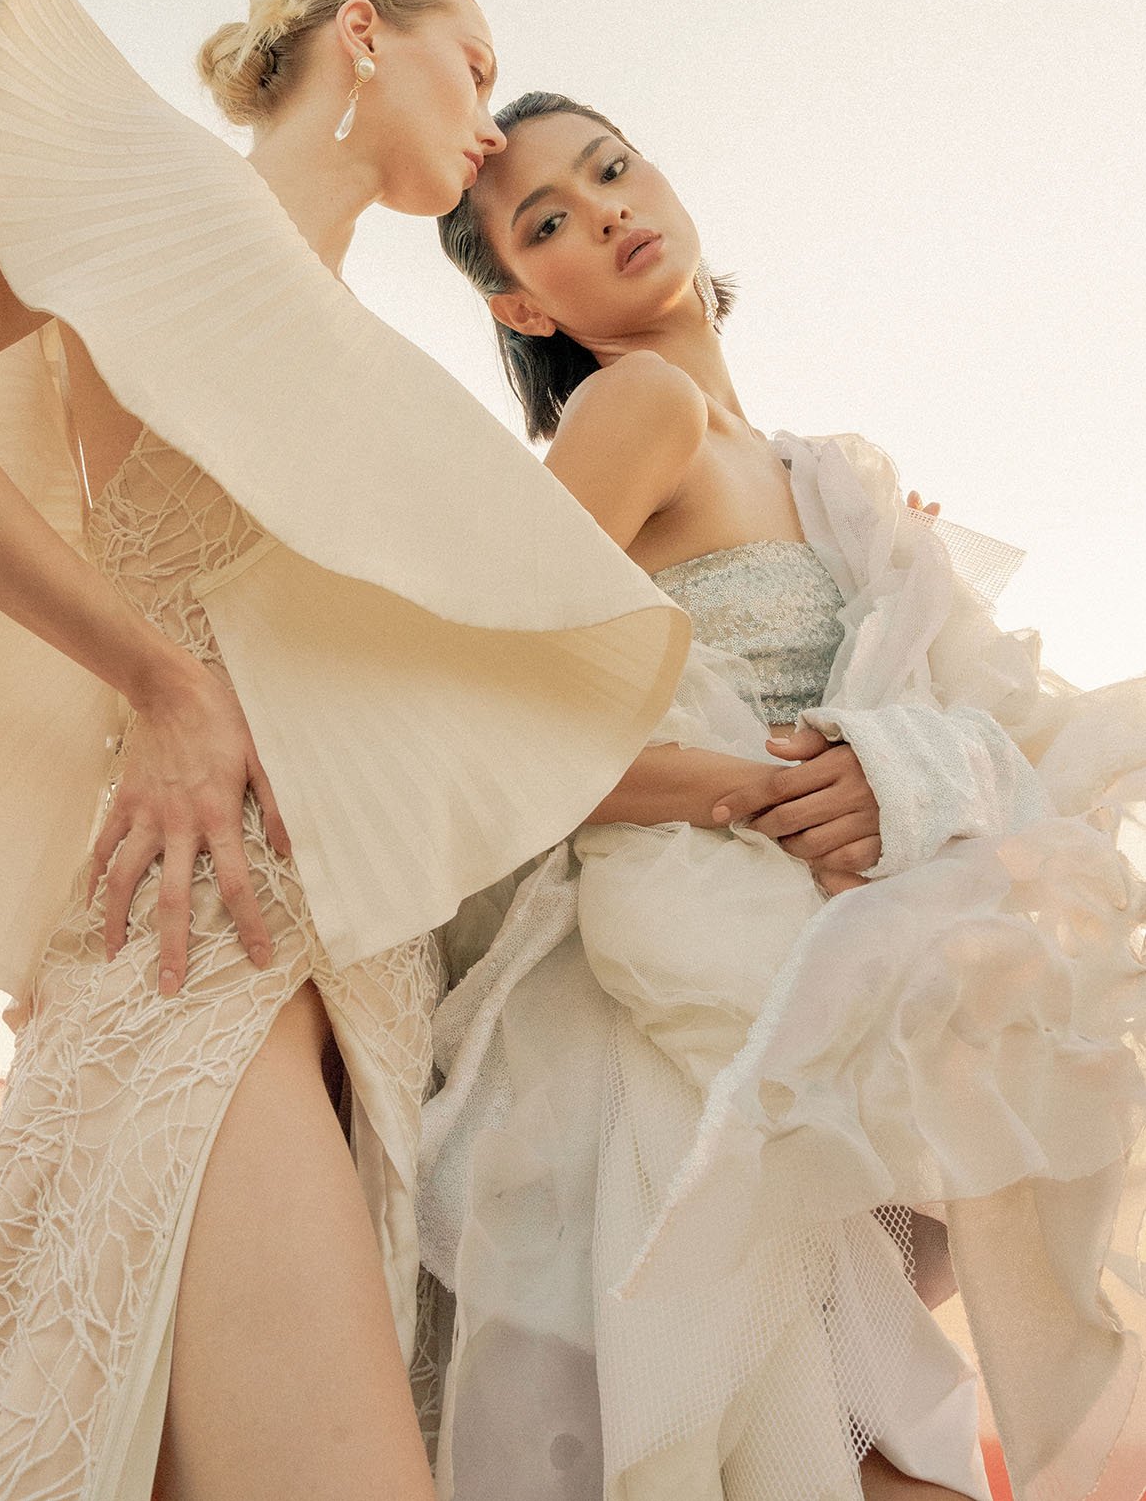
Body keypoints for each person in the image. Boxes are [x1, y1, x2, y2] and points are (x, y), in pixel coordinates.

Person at [0, 0, 693, 1501]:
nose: (490, 123)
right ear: (363, 33)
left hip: (374, 1006)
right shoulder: (137, 184)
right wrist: (157, 676)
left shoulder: (373, 373)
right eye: (475, 67)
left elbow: (484, 696)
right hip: (204, 951)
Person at [427, 90, 1146, 1501]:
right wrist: (755, 788)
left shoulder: (817, 471)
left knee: (844, 1442)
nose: (608, 210)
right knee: (841, 1446)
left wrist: (899, 756)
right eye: (550, 222)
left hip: (821, 957)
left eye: (614, 168)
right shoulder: (640, 407)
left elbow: (937, 708)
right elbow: (484, 726)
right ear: (521, 305)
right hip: (702, 998)